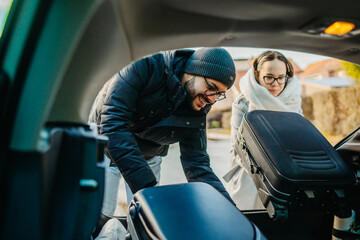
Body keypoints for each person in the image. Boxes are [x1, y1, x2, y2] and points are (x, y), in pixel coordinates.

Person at [89, 47, 237, 217]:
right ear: (192, 72)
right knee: (101, 211)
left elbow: (197, 163)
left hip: (150, 153)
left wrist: (231, 211)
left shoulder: (200, 102)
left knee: (146, 215)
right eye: (212, 87)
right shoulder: (144, 65)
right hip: (105, 144)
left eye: (219, 94)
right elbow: (113, 122)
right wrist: (148, 188)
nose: (212, 99)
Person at [223, 50, 303, 210]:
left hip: (285, 176)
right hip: (250, 175)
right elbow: (238, 148)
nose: (275, 84)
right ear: (257, 74)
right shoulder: (243, 103)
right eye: (269, 77)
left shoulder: (294, 100)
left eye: (281, 78)